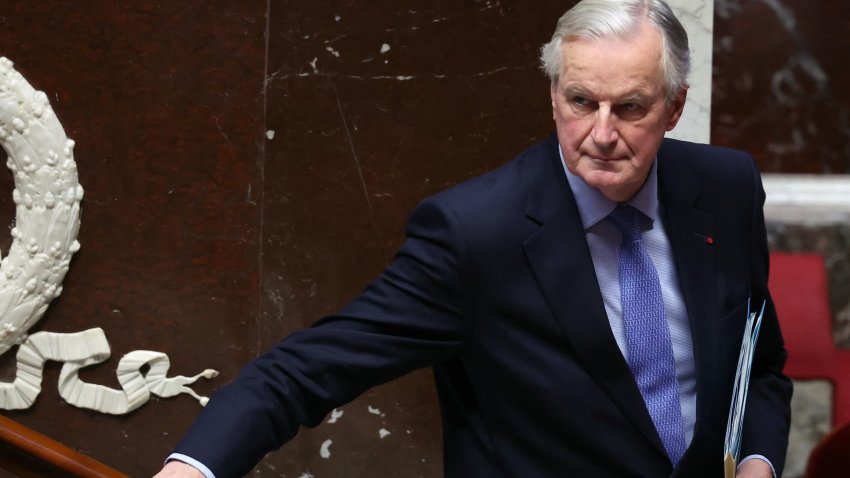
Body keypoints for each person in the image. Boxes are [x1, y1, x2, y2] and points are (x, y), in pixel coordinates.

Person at [155, 0, 791, 476]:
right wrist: (195, 466)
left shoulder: (725, 188)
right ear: (552, 96)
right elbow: (311, 367)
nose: (600, 132)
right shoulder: (475, 232)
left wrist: (759, 460)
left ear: (673, 107)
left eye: (629, 107)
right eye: (579, 101)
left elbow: (757, 364)